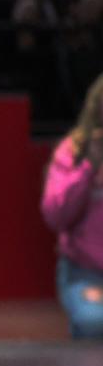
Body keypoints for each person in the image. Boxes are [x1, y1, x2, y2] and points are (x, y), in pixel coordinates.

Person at [41, 73, 103, 339]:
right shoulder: (74, 151)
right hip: (86, 274)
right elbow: (55, 216)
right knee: (94, 322)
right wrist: (88, 168)